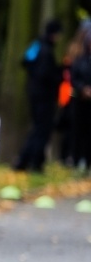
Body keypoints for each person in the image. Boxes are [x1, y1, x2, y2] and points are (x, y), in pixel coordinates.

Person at [14, 19, 63, 173]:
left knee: (37, 127)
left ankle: (23, 160)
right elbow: (46, 74)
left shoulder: (35, 45)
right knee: (43, 128)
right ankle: (35, 163)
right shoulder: (47, 51)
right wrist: (59, 75)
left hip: (33, 91)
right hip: (44, 95)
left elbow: (25, 61)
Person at [70, 22, 91, 173]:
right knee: (78, 132)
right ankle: (76, 161)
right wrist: (83, 89)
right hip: (80, 101)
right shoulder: (79, 60)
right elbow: (73, 78)